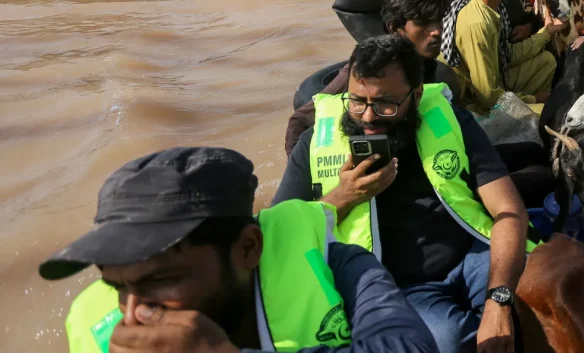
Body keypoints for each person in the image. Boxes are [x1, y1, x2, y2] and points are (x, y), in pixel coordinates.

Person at [273, 35, 534, 353]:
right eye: (357, 101)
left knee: (538, 294)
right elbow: (279, 237)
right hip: (402, 286)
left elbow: (508, 210)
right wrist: (344, 196)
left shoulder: (451, 122)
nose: (368, 117)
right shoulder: (313, 145)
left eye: (386, 104)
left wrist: (499, 300)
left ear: (417, 94)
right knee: (447, 341)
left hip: (474, 255)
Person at [43, 147, 437, 353]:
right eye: (117, 287)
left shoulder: (334, 263)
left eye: (161, 279)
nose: (133, 314)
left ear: (248, 248)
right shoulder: (94, 327)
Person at [285, 0, 451, 156]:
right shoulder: (368, 74)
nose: (437, 31)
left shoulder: (427, 66)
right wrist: (300, 175)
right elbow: (299, 121)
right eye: (423, 22)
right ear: (395, 27)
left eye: (439, 20)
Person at [442, 0, 563, 115]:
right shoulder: (477, 24)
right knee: (549, 113)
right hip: (475, 104)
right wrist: (534, 99)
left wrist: (546, 33)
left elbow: (506, 55)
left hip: (497, 78)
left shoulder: (493, 4)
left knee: (547, 61)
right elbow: (487, 96)